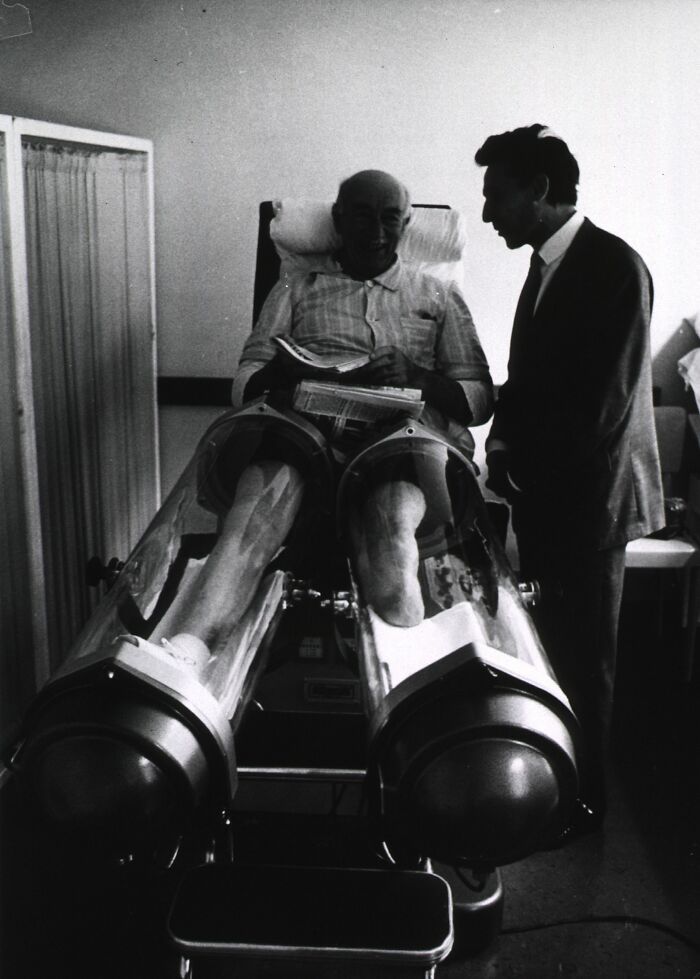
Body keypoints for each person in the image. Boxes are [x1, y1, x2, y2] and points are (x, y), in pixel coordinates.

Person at [475, 125, 664, 839]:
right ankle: (558, 790)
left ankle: (585, 808)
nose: (489, 212)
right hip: (554, 496)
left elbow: (601, 412)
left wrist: (516, 466)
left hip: (593, 503)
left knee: (586, 663)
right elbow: (532, 382)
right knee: (555, 648)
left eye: (498, 194)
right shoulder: (548, 265)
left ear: (540, 190)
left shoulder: (615, 267)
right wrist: (501, 442)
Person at [227, 168, 494, 627]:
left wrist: (420, 378)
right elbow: (244, 385)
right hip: (304, 436)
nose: (376, 231)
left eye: (390, 218)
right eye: (362, 216)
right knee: (241, 539)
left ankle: (401, 661)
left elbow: (479, 400)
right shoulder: (296, 287)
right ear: (338, 218)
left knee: (391, 542)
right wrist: (280, 371)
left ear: (406, 224)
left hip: (398, 441)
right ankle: (193, 652)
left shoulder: (438, 293)